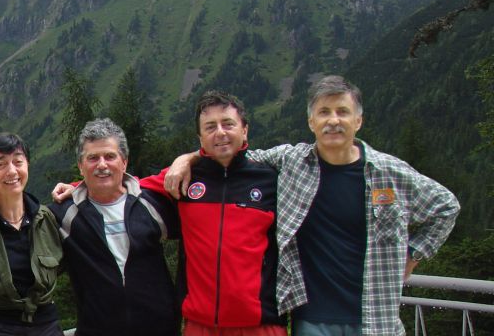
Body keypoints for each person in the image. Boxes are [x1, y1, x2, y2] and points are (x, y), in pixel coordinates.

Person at [165, 75, 460, 336]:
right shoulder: (292, 162)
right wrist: (186, 159)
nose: (333, 120)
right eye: (324, 112)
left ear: (358, 120)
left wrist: (413, 254)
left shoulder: (390, 173)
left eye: (343, 112)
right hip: (311, 316)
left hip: (377, 317)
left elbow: (446, 207)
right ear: (311, 122)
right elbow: (229, 152)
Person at [139, 90, 286, 336]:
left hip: (261, 325)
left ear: (245, 130)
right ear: (200, 137)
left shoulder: (271, 179)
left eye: (228, 124)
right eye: (210, 127)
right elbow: (126, 190)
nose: (220, 132)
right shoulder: (182, 177)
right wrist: (79, 187)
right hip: (201, 325)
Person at [48, 118, 179, 336]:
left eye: (110, 156)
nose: (102, 165)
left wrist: (187, 158)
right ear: (81, 166)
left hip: (160, 329)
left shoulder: (152, 204)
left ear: (124, 162)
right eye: (92, 158)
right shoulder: (64, 215)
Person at [0, 133, 63, 336]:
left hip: (46, 325)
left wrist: (77, 188)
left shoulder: (48, 219)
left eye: (18, 162)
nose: (12, 171)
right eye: (1, 164)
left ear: (27, 166)